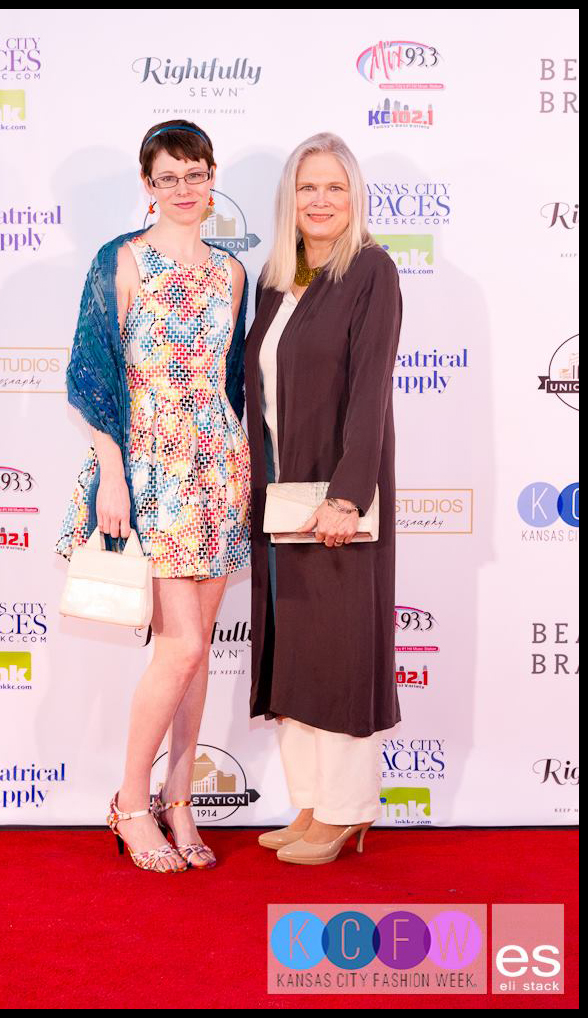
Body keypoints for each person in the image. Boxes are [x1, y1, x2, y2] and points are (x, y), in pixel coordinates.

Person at [55, 119, 250, 872]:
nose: (183, 189)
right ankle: (130, 802)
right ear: (147, 186)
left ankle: (179, 799)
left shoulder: (231, 273)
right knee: (181, 648)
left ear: (212, 177)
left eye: (194, 174)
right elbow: (92, 372)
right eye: (167, 177)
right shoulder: (123, 260)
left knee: (196, 655)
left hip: (216, 467)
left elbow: (229, 381)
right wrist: (112, 470)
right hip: (150, 470)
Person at [244, 132, 402, 865]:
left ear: (354, 196)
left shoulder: (370, 270)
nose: (319, 200)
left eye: (334, 186)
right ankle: (309, 804)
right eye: (307, 186)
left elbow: (371, 390)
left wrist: (348, 496)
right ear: (290, 197)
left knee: (339, 651)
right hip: (281, 494)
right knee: (296, 652)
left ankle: (346, 811)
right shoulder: (275, 279)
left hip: (335, 495)